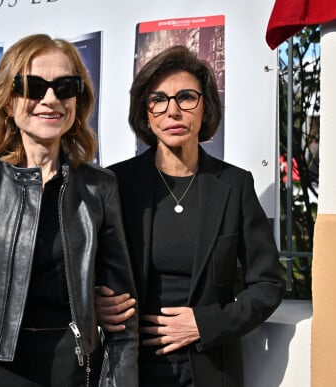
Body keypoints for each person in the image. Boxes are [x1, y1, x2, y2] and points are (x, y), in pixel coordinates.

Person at [0, 33, 139, 387]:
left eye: (65, 86)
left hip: (74, 370)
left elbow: (123, 316)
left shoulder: (99, 187)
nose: (50, 99)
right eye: (32, 87)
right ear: (8, 101)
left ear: (77, 99)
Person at [95, 45, 285, 386]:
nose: (173, 111)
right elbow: (80, 267)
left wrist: (205, 324)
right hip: (129, 367)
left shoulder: (234, 185)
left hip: (209, 368)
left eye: (186, 97)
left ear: (205, 107)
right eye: (159, 99)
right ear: (146, 112)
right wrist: (93, 302)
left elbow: (268, 284)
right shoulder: (116, 183)